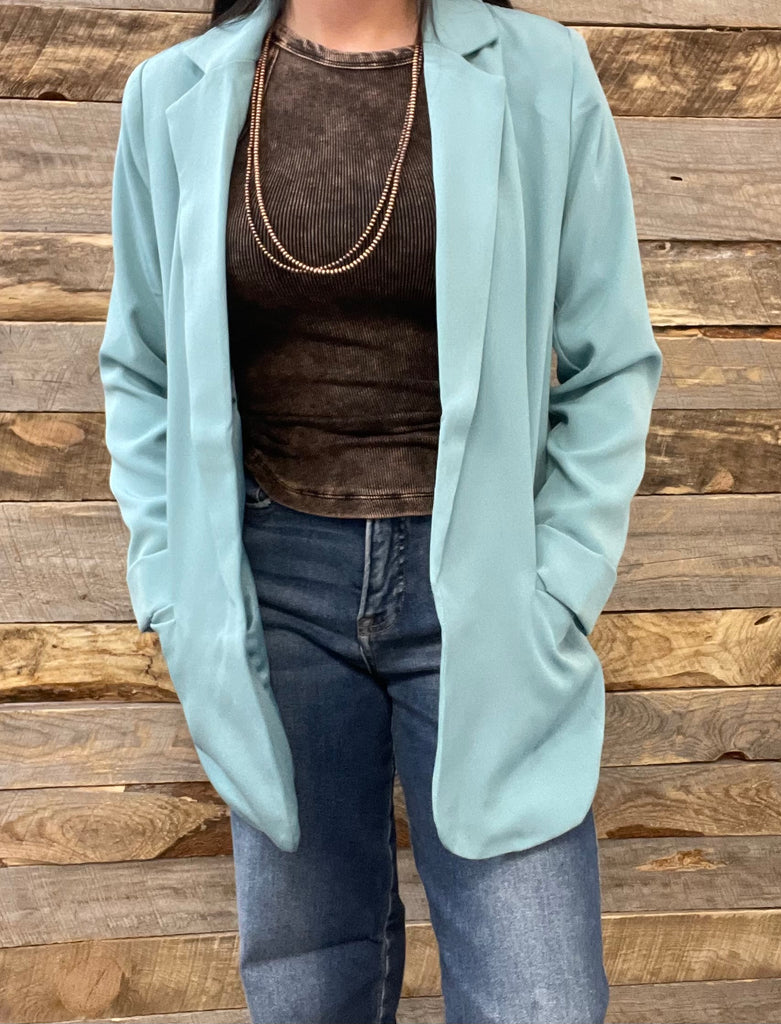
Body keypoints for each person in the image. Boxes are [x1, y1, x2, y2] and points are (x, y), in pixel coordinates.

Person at [99, 0, 663, 1020]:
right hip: (270, 594)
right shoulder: (172, 94)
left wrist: (560, 588)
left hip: (487, 590)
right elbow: (141, 370)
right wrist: (170, 590)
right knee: (310, 987)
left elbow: (611, 361)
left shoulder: (543, 76)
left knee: (539, 996)